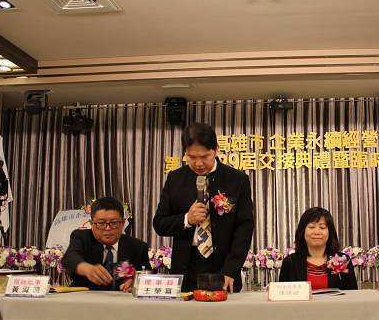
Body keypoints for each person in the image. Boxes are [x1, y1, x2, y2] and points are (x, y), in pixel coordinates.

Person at [153, 122, 254, 292]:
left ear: (216, 149)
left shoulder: (237, 179)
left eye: (205, 156)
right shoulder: (175, 179)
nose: (198, 163)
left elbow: (245, 228)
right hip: (185, 269)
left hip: (223, 268)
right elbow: (159, 223)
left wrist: (231, 269)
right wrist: (187, 219)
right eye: (192, 157)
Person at [62, 197, 150, 291]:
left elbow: (147, 275)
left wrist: (136, 282)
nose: (108, 228)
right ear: (92, 223)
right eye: (101, 223)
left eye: (114, 223)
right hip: (84, 296)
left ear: (123, 223)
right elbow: (69, 258)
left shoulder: (138, 247)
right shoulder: (82, 237)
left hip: (122, 298)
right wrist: (87, 269)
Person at [279, 207, 357, 290]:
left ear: (330, 232)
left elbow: (353, 294)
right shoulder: (290, 262)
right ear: (303, 231)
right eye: (312, 227)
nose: (317, 232)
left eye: (322, 227)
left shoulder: (343, 260)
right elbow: (282, 295)